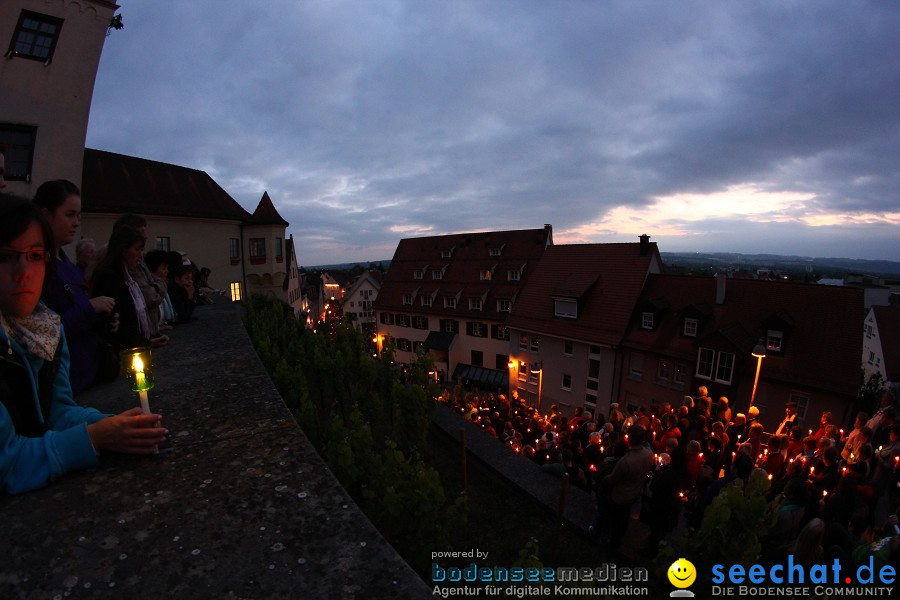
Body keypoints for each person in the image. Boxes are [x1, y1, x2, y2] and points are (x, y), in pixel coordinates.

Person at [0, 195, 167, 494]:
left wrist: (114, 425)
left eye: (35, 255)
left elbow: (58, 411)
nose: (24, 271)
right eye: (5, 256)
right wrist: (94, 438)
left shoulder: (45, 328)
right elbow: (6, 462)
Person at [33, 180, 116, 394]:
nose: (76, 223)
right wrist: (90, 308)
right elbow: (43, 334)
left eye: (78, 216)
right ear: (46, 215)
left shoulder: (63, 262)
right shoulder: (34, 267)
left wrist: (102, 321)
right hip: (66, 387)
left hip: (87, 375)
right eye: (69, 215)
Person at [92, 225, 166, 351]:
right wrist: (144, 343)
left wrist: (147, 342)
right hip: (120, 353)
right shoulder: (110, 278)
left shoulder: (126, 278)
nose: (140, 255)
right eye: (137, 249)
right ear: (122, 250)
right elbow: (119, 325)